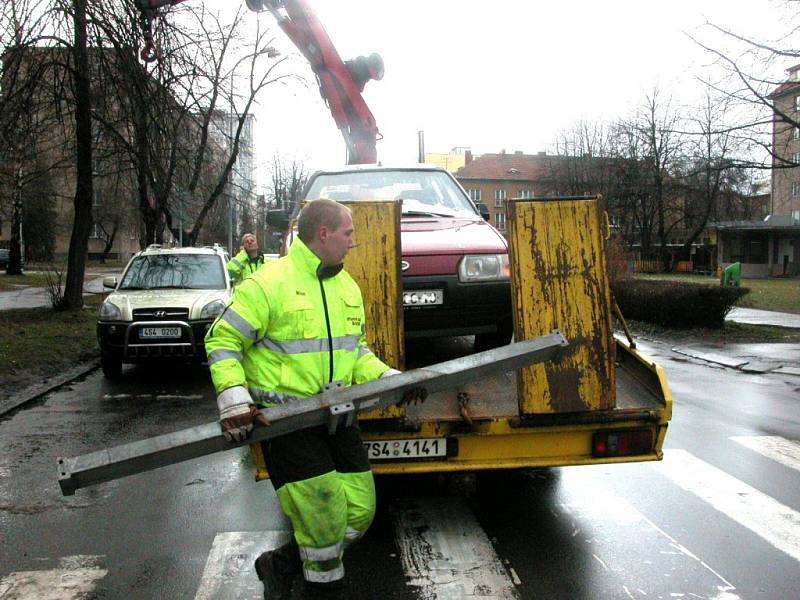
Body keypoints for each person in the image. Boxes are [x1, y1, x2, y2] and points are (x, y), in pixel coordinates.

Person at [205, 199, 422, 599]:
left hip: (338, 419)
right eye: (348, 233)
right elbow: (222, 339)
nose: (354, 242)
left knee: (359, 511)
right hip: (287, 424)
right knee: (322, 517)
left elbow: (356, 353)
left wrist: (391, 380)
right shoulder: (268, 284)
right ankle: (325, 591)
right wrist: (234, 399)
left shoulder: (347, 288)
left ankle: (282, 564)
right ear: (323, 233)